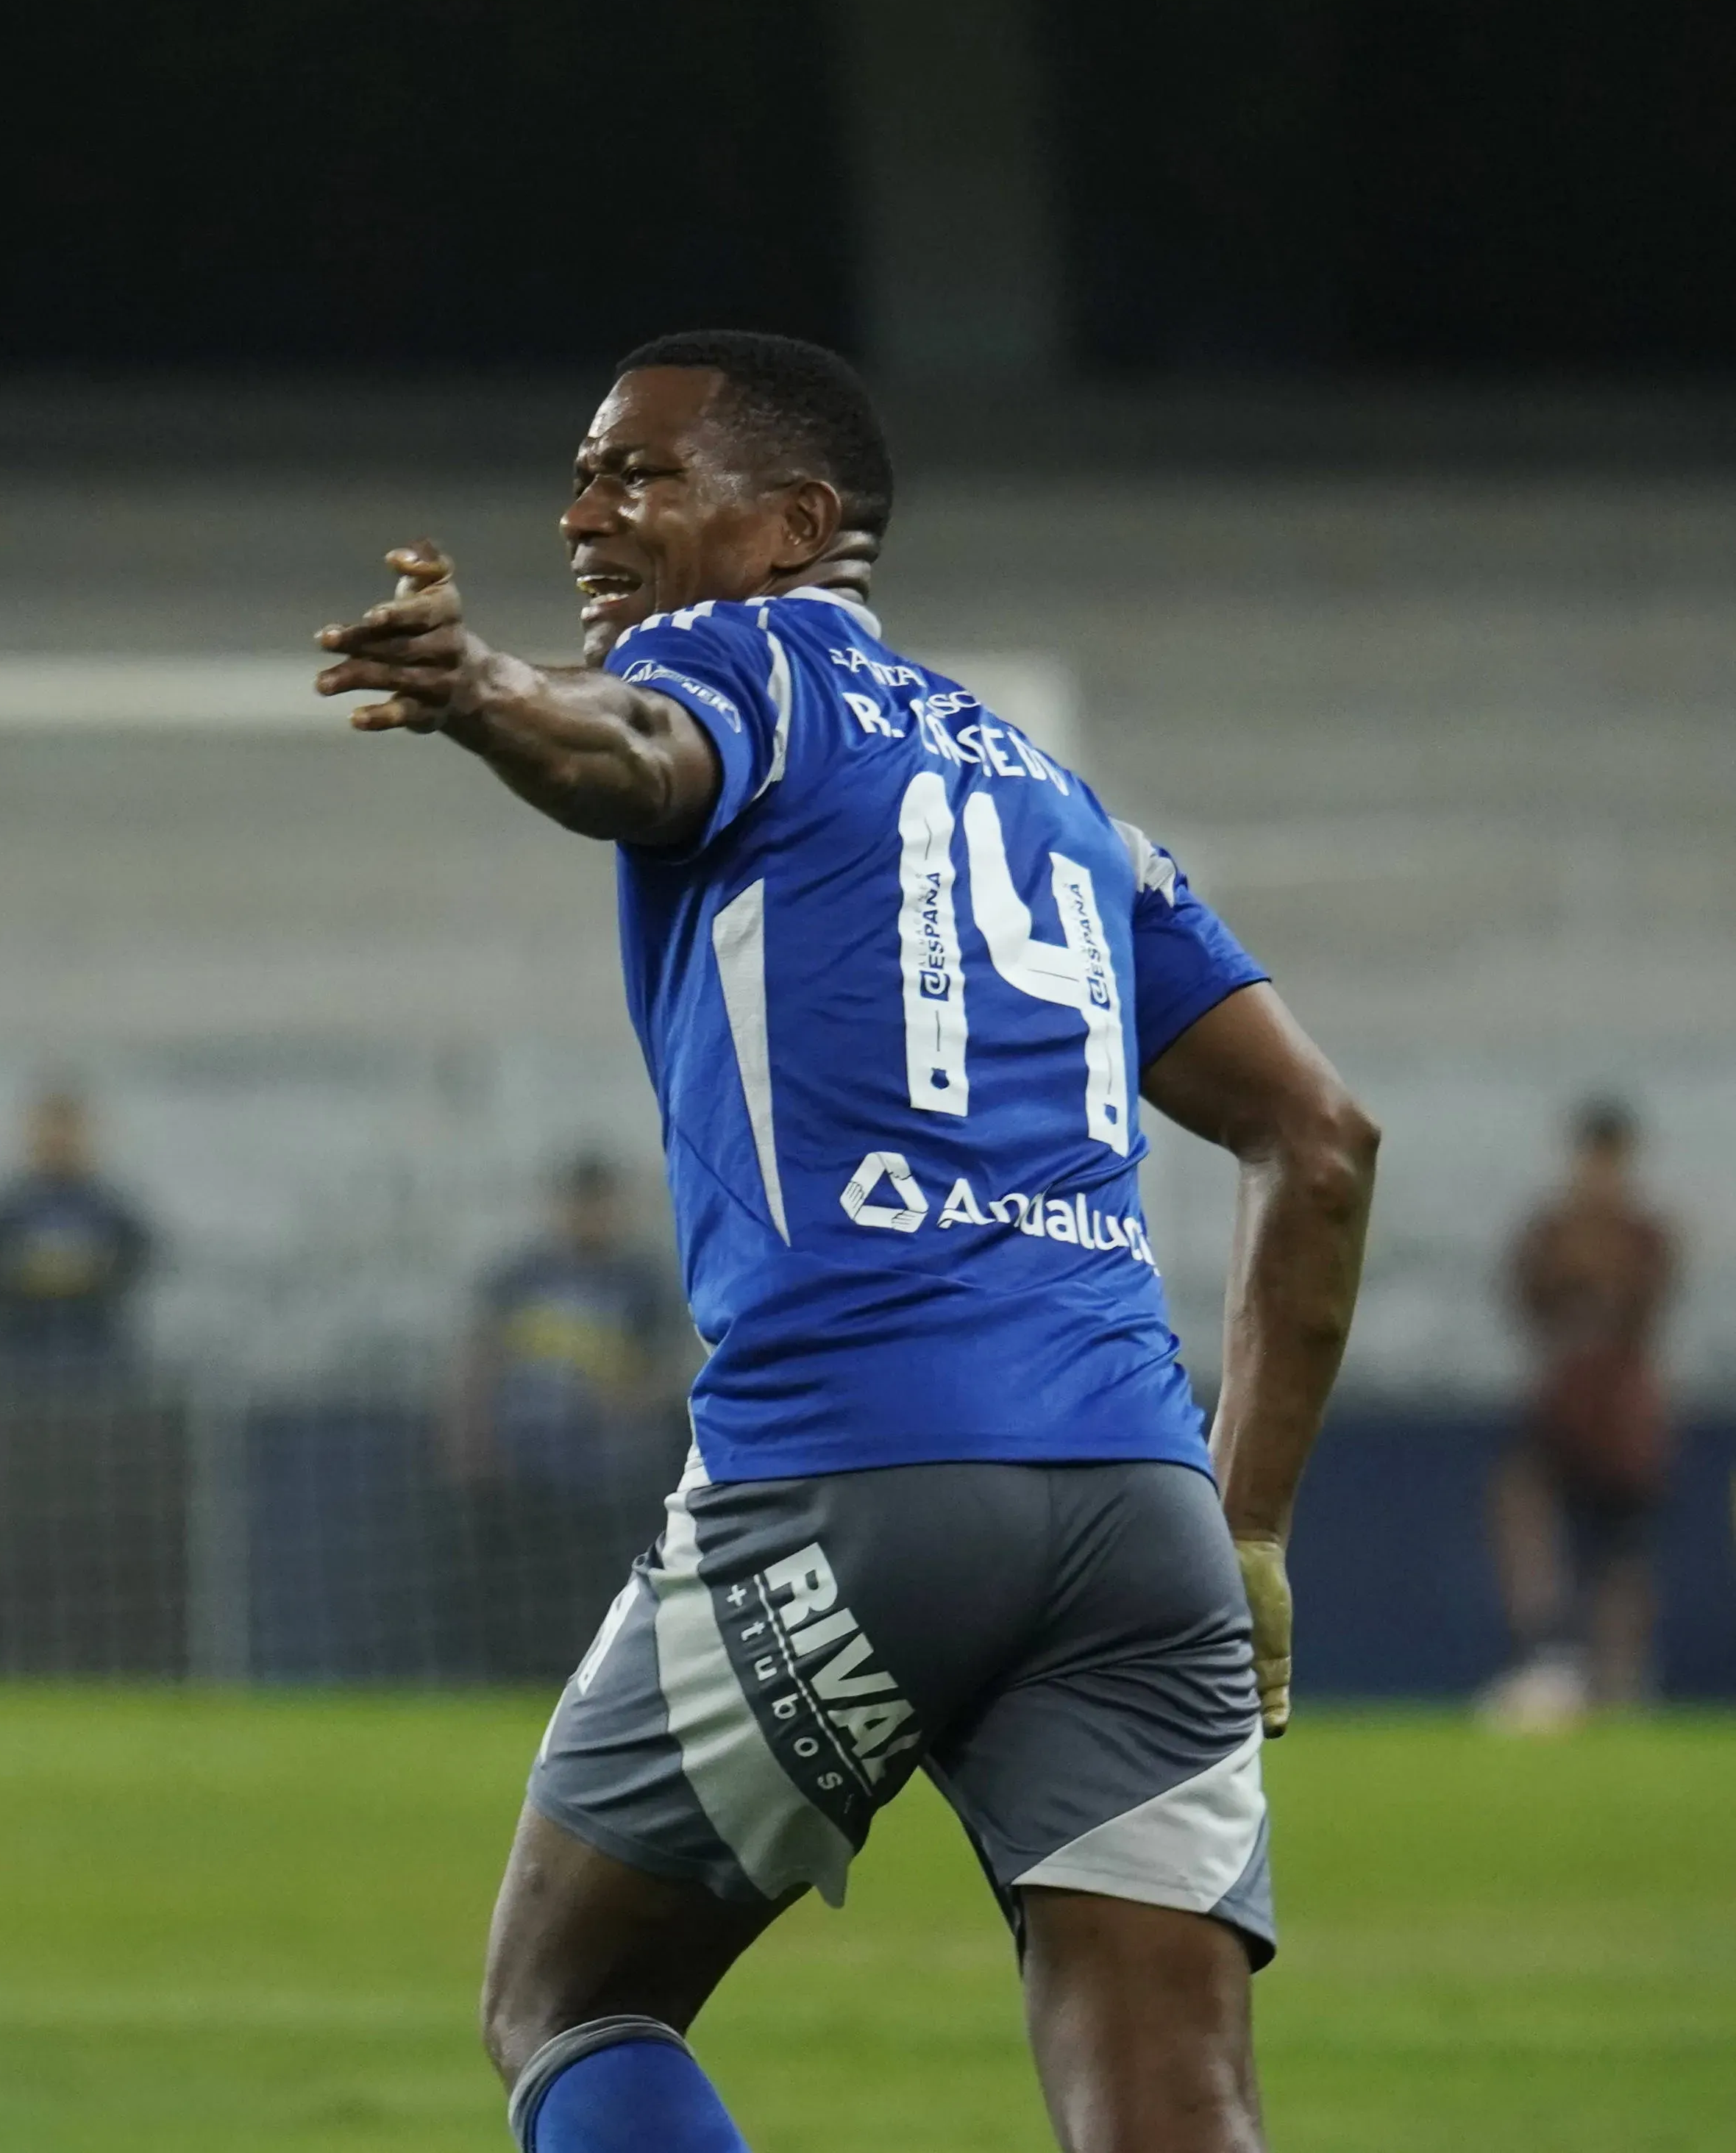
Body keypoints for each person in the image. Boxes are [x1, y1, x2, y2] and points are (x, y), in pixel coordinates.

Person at [313, 330, 1379, 2153]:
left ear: (795, 522)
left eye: (637, 475)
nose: (582, 512)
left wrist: (484, 688)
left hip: (854, 1472)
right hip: (1139, 1515)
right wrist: (1251, 1524)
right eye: (580, 475)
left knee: (571, 1997)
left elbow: (630, 754)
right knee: (1169, 2106)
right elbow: (1318, 1138)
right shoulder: (1056, 802)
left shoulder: (736, 669)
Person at [448, 1154, 690, 1682]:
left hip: (612, 1473)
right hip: (529, 1468)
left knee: (603, 1587)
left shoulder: (640, 1282)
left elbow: (673, 1366)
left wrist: (633, 1398)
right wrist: (471, 1436)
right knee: (524, 1585)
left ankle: (597, 1679)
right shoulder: (520, 1277)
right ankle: (514, 1675)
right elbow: (480, 1359)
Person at [1484, 1097, 1679, 1729]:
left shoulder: (1645, 1235)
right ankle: (1548, 1655)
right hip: (1562, 1404)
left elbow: (1645, 1314)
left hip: (1621, 1413)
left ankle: (1620, 1683)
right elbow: (1526, 1301)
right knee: (1526, 1509)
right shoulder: (1552, 1231)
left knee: (1621, 1554)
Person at [0, 1083, 155, 1370]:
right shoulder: (1, 1213)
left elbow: (136, 1267)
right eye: (49, 1130)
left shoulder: (113, 1214)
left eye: (67, 1130)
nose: (58, 1141)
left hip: (97, 1356)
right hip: (12, 1358)